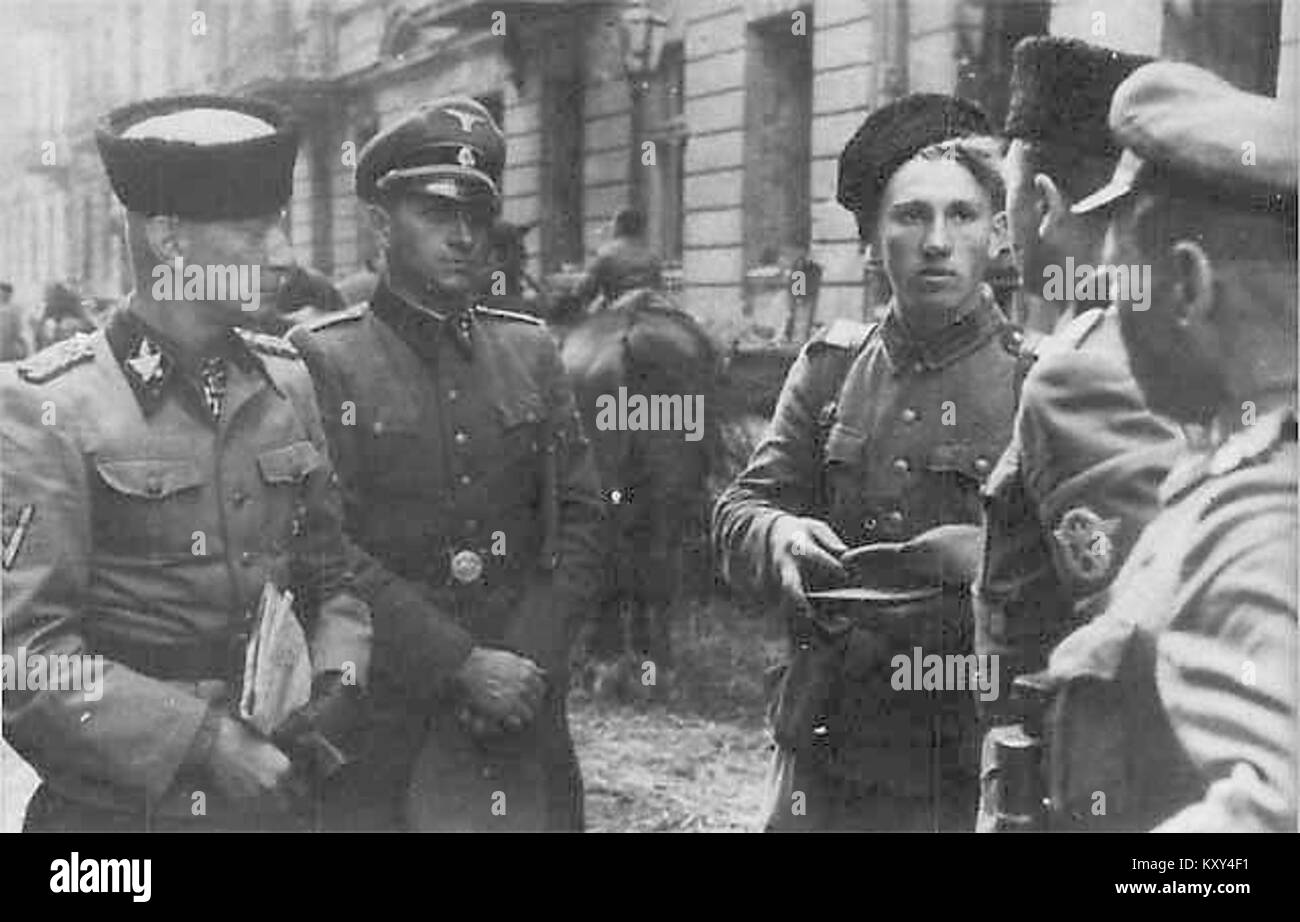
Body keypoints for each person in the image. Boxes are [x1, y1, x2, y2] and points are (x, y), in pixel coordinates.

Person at [0, 94, 372, 832]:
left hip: (282, 800)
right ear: (169, 238)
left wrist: (334, 684)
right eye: (256, 229)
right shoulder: (50, 408)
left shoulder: (286, 379)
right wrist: (205, 741)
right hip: (122, 822)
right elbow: (27, 663)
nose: (287, 254)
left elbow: (334, 579)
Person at [713, 94, 1033, 831]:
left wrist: (992, 564)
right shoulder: (829, 367)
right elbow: (739, 509)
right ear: (870, 239)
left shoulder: (1038, 382)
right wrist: (781, 535)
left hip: (964, 763)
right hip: (828, 743)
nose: (936, 241)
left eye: (962, 215)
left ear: (998, 233)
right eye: (910, 215)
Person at [289, 97, 605, 832]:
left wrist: (525, 660)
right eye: (435, 214)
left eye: (477, 216)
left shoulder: (531, 351)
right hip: (387, 726)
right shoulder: (324, 360)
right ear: (380, 225)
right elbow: (320, 545)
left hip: (524, 720)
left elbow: (586, 517)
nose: (464, 237)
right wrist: (459, 665)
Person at [1038, 61, 1297, 831]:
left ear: (1187, 286)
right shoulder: (1241, 474)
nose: (1114, 322)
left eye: (1122, 288)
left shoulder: (1258, 526)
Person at [971, 37, 1185, 831]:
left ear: (1049, 204)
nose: (1000, 232)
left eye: (1009, 200)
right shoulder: (1165, 332)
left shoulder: (1086, 368)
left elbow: (1143, 653)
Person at [572, 208, 664, 308]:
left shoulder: (607, 254)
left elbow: (584, 291)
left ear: (619, 226)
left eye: (613, 223)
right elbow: (657, 290)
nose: (611, 227)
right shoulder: (652, 257)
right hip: (649, 314)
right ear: (641, 229)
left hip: (618, 316)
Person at [0, 281, 30, 362]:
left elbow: (19, 331)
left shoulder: (15, 310)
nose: (3, 295)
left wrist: (24, 348)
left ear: (10, 294)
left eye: (5, 293)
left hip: (11, 349)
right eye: (2, 293)